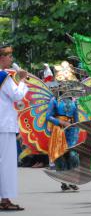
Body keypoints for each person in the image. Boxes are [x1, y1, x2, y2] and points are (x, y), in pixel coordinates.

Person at [0, 44, 28, 211]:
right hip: (4, 125)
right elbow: (17, 95)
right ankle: (5, 199)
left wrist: (16, 79)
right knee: (6, 164)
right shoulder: (3, 75)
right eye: (9, 56)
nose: (11, 59)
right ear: (1, 58)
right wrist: (23, 81)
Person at [46, 91, 80, 191]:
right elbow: (48, 116)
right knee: (60, 154)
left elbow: (76, 118)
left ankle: (72, 180)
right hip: (58, 130)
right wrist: (60, 122)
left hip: (71, 130)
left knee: (72, 155)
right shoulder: (54, 100)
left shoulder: (74, 100)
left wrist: (76, 129)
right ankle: (64, 181)